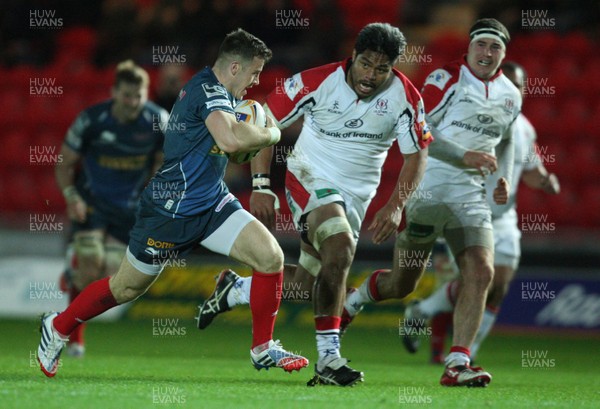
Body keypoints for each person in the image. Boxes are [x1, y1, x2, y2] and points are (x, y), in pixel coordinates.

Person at [37, 28, 309, 378]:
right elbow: (228, 140)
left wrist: (251, 151)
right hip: (170, 211)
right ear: (236, 67)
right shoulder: (207, 90)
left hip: (211, 204)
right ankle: (57, 327)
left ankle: (263, 348)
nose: (256, 81)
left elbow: (231, 151)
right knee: (126, 287)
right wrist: (271, 132)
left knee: (270, 256)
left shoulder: (224, 96)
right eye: (254, 72)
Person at [196, 22, 432, 386]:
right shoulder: (316, 81)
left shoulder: (405, 96)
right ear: (353, 56)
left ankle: (236, 289)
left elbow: (418, 155)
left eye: (382, 68)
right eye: (366, 64)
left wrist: (396, 204)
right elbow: (262, 120)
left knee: (311, 283)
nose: (371, 75)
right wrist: (261, 185)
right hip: (309, 178)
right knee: (340, 248)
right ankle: (328, 361)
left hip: (356, 198)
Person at [338, 18, 522, 387]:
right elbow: (418, 130)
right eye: (481, 44)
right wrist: (464, 155)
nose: (487, 53)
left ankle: (456, 363)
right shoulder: (446, 80)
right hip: (429, 188)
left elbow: (504, 141)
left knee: (482, 270)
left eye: (495, 47)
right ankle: (353, 301)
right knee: (403, 284)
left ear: (504, 53)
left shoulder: (511, 94)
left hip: (470, 195)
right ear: (469, 48)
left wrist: (503, 178)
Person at [413, 61, 561, 364]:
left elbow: (531, 170)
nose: (515, 89)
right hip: (466, 205)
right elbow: (429, 134)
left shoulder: (526, 128)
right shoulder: (476, 112)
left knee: (499, 284)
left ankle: (464, 349)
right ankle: (438, 342)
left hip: (504, 216)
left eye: (521, 86)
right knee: (470, 279)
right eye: (512, 82)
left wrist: (545, 180)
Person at [56, 60, 167, 357]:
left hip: (130, 207)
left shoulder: (159, 121)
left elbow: (166, 161)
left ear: (146, 94)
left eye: (139, 95)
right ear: (114, 92)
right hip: (91, 202)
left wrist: (154, 190)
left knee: (112, 277)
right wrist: (70, 195)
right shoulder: (92, 120)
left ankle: (72, 270)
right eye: (127, 95)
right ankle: (75, 338)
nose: (133, 102)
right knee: (91, 261)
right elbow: (64, 163)